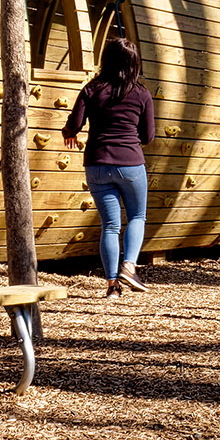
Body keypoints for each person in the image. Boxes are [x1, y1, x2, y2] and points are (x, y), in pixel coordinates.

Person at [63, 36, 154, 299]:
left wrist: (69, 133)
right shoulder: (141, 93)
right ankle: (129, 265)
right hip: (130, 164)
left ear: (107, 60)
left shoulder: (92, 89)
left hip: (97, 164)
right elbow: (148, 136)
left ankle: (113, 286)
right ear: (134, 64)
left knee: (110, 225)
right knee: (137, 216)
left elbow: (75, 123)